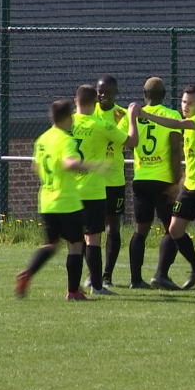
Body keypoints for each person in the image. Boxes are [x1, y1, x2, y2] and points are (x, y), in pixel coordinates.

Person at [130, 84, 195, 292]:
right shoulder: (190, 124)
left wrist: (144, 114)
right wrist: (179, 183)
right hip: (189, 188)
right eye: (183, 101)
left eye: (190, 103)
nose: (185, 106)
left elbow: (176, 123)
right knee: (174, 229)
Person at [15, 100, 106, 300]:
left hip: (47, 200)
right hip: (67, 201)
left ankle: (28, 272)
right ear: (68, 117)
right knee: (75, 244)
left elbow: (36, 167)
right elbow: (69, 163)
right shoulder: (66, 140)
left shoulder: (43, 139)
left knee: (51, 244)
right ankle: (73, 292)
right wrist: (94, 166)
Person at [73, 84, 138, 295]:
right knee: (93, 238)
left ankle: (74, 289)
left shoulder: (65, 124)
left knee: (75, 240)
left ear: (75, 101)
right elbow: (133, 142)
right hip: (93, 189)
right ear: (94, 102)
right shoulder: (101, 125)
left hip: (70, 189)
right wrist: (133, 119)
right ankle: (97, 285)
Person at [123, 77, 183, 290]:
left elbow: (128, 141)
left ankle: (135, 280)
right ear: (165, 96)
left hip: (141, 178)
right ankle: (162, 275)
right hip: (163, 180)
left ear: (144, 94)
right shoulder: (172, 115)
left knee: (140, 230)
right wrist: (177, 182)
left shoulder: (135, 115)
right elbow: (175, 150)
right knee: (172, 229)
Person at [91, 74, 127, 288]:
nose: (102, 94)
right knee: (92, 228)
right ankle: (92, 273)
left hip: (114, 179)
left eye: (107, 91)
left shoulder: (121, 114)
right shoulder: (88, 112)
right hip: (92, 180)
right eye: (99, 90)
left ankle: (107, 275)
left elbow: (118, 140)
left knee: (113, 226)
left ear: (116, 93)